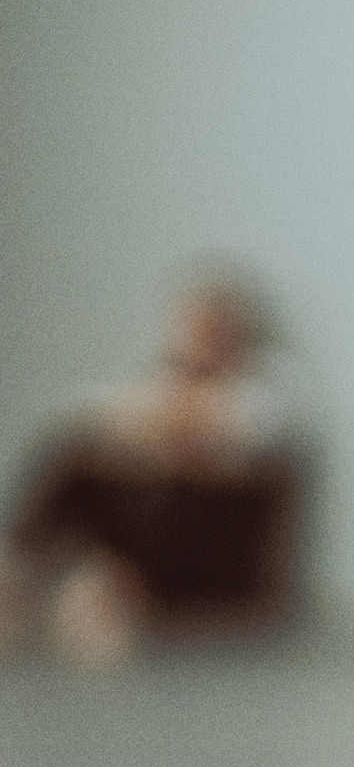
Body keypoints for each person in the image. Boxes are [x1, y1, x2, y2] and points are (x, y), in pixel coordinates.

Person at [2, 271, 307, 663]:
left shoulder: (263, 394)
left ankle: (114, 590)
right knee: (77, 460)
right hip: (152, 533)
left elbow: (231, 426)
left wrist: (169, 428)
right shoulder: (163, 383)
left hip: (209, 554)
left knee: (173, 482)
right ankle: (25, 572)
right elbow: (87, 412)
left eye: (210, 329)